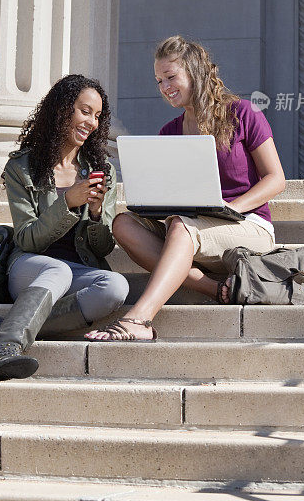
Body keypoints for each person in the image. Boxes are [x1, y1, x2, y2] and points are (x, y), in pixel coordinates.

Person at [85, 35, 285, 342]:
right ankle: (215, 289)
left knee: (181, 226)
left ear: (194, 72)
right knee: (123, 223)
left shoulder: (244, 113)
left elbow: (276, 179)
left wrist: (235, 206)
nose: (165, 87)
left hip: (248, 224)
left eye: (170, 77)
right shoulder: (169, 131)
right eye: (159, 81)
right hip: (191, 224)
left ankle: (139, 319)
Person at [0, 74, 129, 381]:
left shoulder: (102, 169)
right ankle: (3, 349)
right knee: (58, 271)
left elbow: (103, 248)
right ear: (62, 109)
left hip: (79, 269)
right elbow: (26, 239)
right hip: (29, 267)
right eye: (84, 111)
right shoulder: (22, 167)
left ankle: (2, 325)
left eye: (97, 116)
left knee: (116, 287)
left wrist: (94, 213)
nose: (91, 122)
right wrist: (67, 204)